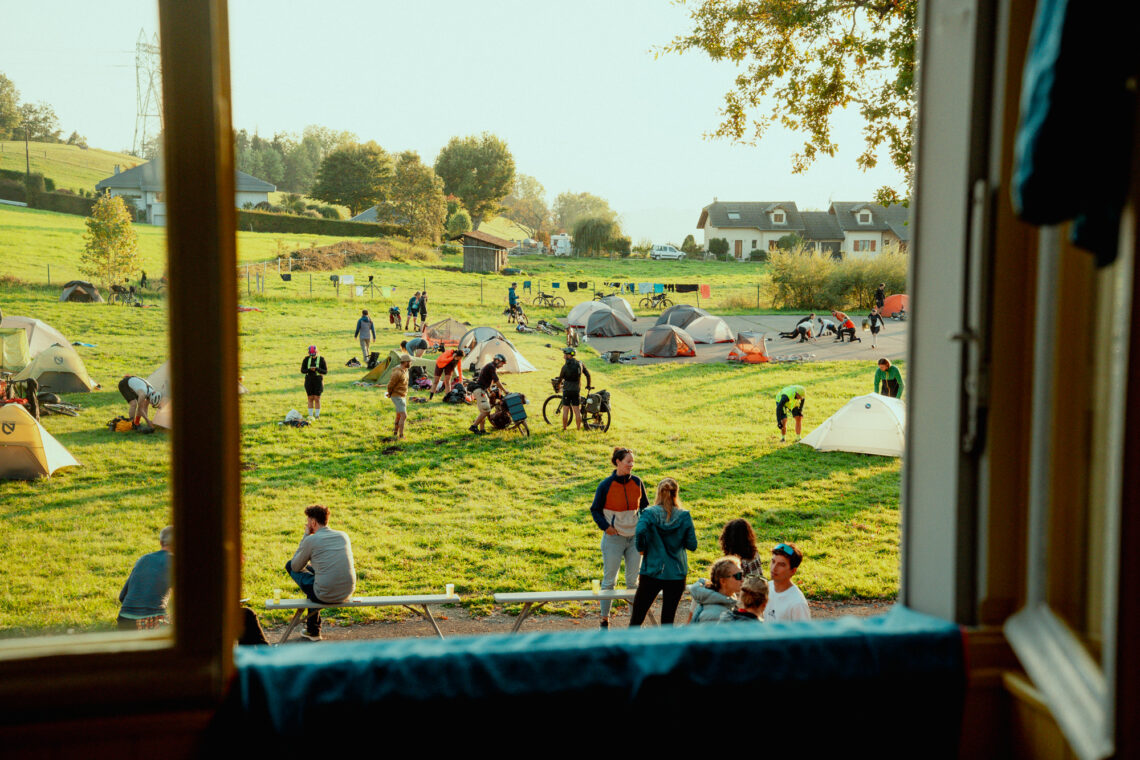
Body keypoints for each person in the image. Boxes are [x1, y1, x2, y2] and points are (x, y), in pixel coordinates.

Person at [590, 447, 649, 628]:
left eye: (633, 462)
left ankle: (635, 623)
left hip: (634, 539)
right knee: (609, 581)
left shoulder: (638, 482)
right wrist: (606, 527)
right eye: (628, 461)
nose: (631, 465)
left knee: (633, 582)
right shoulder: (606, 485)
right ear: (618, 462)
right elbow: (595, 510)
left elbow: (645, 508)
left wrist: (643, 527)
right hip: (613, 539)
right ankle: (604, 619)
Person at [629, 478, 697, 626]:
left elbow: (640, 531)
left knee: (637, 618)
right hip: (676, 572)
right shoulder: (684, 515)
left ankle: (629, 647)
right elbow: (692, 545)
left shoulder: (648, 513)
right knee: (668, 619)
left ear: (658, 493)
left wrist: (642, 548)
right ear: (676, 493)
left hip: (652, 570)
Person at [285, 505, 356, 641]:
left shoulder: (311, 540)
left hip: (325, 594)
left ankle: (314, 631)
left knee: (289, 565)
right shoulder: (343, 536)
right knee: (316, 575)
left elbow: (295, 566)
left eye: (307, 521)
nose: (307, 524)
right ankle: (313, 630)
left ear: (313, 523)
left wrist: (306, 535)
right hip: (347, 591)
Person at [117, 526, 172, 630]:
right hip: (151, 620)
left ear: (161, 542)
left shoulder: (144, 559)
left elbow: (122, 596)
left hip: (124, 619)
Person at [688, 556, 744, 624]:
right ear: (723, 581)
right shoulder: (715, 615)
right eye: (738, 576)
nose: (742, 579)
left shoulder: (727, 599)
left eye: (742, 574)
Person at [766, 542, 811, 622]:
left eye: (781, 565)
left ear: (793, 571)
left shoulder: (798, 604)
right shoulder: (766, 588)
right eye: (773, 562)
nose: (774, 568)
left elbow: (805, 633)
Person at [468, 353, 507, 434]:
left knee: (484, 410)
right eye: (502, 363)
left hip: (482, 390)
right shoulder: (491, 367)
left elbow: (488, 380)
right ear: (497, 360)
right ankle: (474, 426)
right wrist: (505, 390)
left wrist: (490, 391)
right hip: (479, 390)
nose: (502, 366)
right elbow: (497, 381)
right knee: (486, 410)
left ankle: (482, 430)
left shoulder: (491, 366)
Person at [558, 346, 591, 431]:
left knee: (565, 410)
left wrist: (558, 386)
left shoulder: (564, 367)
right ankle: (578, 429)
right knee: (577, 410)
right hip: (576, 390)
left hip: (567, 391)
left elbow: (560, 379)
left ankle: (564, 429)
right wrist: (588, 385)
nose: (563, 356)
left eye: (565, 354)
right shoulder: (580, 364)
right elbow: (588, 375)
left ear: (569, 355)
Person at [386, 352, 412, 439]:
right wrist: (389, 393)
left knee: (399, 415)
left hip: (402, 395)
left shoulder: (405, 370)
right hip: (397, 396)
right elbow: (390, 385)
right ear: (405, 362)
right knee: (404, 415)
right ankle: (401, 435)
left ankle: (395, 432)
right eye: (409, 362)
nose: (411, 363)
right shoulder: (397, 372)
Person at [301, 345, 327, 418]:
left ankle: (317, 415)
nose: (312, 356)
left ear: (317, 352)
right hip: (309, 380)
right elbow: (302, 370)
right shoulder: (306, 359)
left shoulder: (321, 359)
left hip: (318, 380)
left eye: (314, 354)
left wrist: (317, 369)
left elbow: (325, 371)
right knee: (310, 398)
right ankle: (310, 415)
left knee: (317, 398)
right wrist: (309, 369)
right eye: (311, 354)